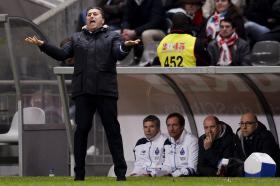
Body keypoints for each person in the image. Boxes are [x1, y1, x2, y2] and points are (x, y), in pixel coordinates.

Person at [25, 7, 140, 181]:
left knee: (112, 131)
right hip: (83, 91)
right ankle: (79, 175)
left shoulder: (113, 36)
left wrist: (126, 46)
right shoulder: (77, 37)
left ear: (102, 19)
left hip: (105, 90)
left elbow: (118, 54)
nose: (91, 16)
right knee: (81, 131)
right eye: (89, 14)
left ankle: (121, 174)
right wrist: (43, 45)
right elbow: (62, 54)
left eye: (95, 14)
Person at [122, 0, 167, 65]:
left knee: (146, 34)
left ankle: (151, 61)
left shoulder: (155, 1)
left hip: (158, 31)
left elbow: (155, 22)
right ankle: (123, 63)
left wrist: (135, 31)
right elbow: (125, 19)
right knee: (116, 34)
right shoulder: (130, 2)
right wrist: (125, 30)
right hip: (135, 31)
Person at [236, 112, 280, 176]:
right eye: (242, 123)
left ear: (256, 125)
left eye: (248, 123)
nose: (244, 127)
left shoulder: (265, 137)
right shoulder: (240, 137)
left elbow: (266, 163)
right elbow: (237, 158)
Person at [155, 113, 198, 177]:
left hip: (187, 178)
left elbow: (192, 168)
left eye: (174, 125)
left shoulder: (192, 140)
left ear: (182, 126)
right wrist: (158, 172)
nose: (171, 129)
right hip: (172, 177)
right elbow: (168, 166)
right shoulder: (168, 141)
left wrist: (172, 175)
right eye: (168, 125)